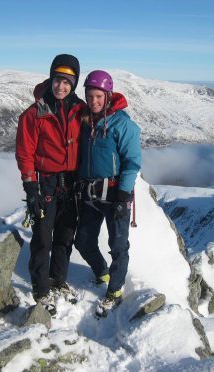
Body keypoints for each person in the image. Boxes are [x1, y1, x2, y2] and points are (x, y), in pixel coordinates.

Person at [16, 54, 85, 316]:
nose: (61, 86)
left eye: (67, 82)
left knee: (65, 235)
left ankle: (58, 279)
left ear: (74, 83)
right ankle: (40, 288)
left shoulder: (80, 110)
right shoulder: (34, 113)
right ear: (51, 79)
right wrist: (30, 187)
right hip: (45, 183)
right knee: (43, 236)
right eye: (58, 80)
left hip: (72, 183)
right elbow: (25, 153)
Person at [74, 70, 142, 317]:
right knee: (82, 240)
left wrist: (123, 197)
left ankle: (114, 290)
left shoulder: (123, 125)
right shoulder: (86, 122)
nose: (94, 101)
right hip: (90, 194)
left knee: (118, 245)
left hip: (114, 194)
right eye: (90, 96)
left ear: (108, 96)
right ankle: (102, 272)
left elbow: (132, 162)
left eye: (99, 96)